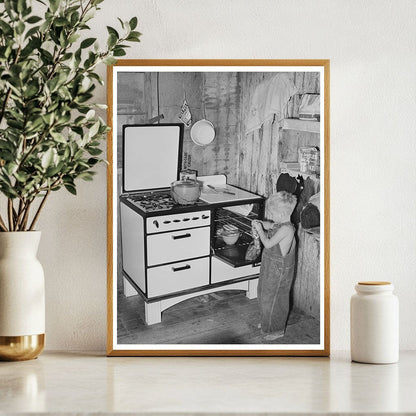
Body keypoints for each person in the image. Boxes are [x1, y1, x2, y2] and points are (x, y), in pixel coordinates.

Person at [252, 191, 297, 341]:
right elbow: (270, 225)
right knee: (264, 294)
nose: (270, 215)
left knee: (274, 299)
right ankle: (267, 323)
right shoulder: (281, 223)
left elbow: (268, 243)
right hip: (270, 266)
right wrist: (259, 223)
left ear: (282, 213)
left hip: (279, 271)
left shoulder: (287, 229)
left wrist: (259, 231)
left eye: (272, 213)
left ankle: (276, 329)